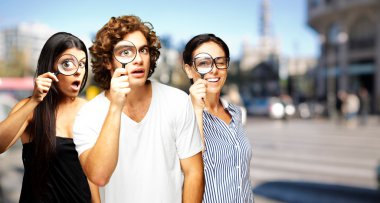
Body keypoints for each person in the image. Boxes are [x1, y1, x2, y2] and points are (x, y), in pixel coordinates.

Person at [73, 15, 204, 203]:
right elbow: (99, 176)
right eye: (126, 52)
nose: (138, 59)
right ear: (108, 61)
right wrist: (116, 107)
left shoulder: (177, 101)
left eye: (143, 50)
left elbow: (194, 173)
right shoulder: (88, 115)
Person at [0, 32, 100, 202]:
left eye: (82, 64)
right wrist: (34, 100)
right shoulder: (31, 108)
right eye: (68, 63)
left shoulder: (88, 110)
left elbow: (91, 174)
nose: (78, 72)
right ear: (50, 68)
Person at [182, 33, 254, 202]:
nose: (214, 69)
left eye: (220, 62)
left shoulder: (236, 113)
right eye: (203, 63)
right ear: (189, 70)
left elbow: (242, 177)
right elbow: (193, 170)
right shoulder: (180, 114)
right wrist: (197, 111)